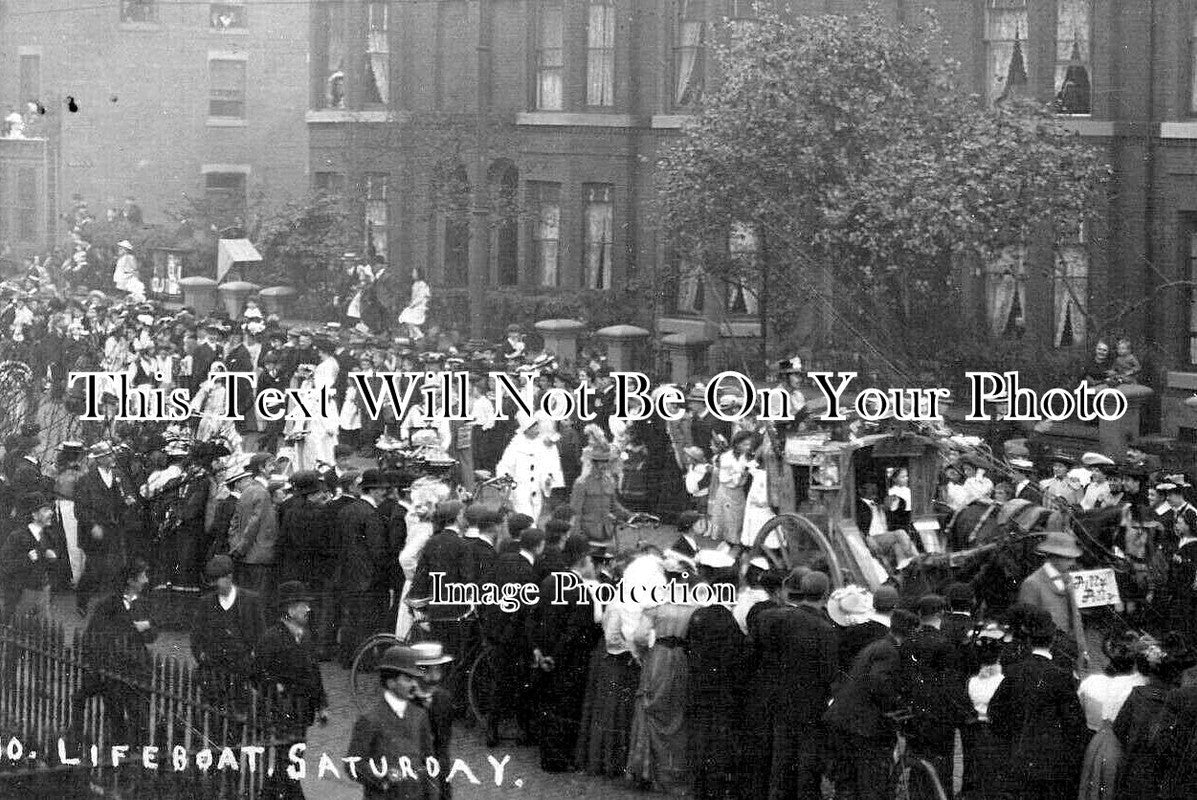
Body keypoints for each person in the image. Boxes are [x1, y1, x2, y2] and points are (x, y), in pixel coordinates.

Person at [988, 606, 1088, 800]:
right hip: (1051, 761)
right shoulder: (1061, 676)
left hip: (1018, 756)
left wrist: (1012, 738)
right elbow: (1074, 723)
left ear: (1027, 639)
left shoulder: (1014, 672)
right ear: (1051, 640)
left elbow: (996, 712)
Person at [754, 570, 839, 800]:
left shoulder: (778, 619)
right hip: (812, 705)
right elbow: (829, 672)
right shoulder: (825, 629)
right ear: (825, 594)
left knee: (781, 763)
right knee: (807, 767)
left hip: (781, 700)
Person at [824, 608, 919, 800]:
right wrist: (896, 707)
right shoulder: (889, 652)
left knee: (847, 784)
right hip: (864, 727)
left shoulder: (877, 646)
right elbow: (879, 682)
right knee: (871, 785)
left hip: (846, 722)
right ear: (910, 633)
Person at [627, 558, 700, 794]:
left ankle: (649, 771)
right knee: (677, 713)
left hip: (659, 657)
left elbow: (639, 636)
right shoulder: (695, 607)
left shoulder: (657, 605)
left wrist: (643, 654)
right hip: (682, 657)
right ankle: (675, 773)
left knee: (651, 708)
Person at [529, 535, 601, 773]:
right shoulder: (580, 591)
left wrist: (539, 651)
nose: (593, 565)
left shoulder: (550, 581)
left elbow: (533, 618)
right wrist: (556, 657)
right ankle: (559, 759)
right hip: (568, 662)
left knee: (548, 706)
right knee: (566, 710)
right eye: (591, 560)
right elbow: (575, 632)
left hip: (545, 656)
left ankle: (548, 756)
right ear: (582, 560)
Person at [256, 580, 328, 800]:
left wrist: (322, 705)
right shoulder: (271, 638)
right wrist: (274, 686)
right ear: (289, 609)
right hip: (280, 711)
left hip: (302, 712)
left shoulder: (305, 636)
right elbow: (258, 672)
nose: (308, 609)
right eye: (302, 605)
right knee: (287, 760)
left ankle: (268, 794)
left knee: (292, 758)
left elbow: (314, 673)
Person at [73, 558, 155, 743]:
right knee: (116, 715)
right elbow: (95, 634)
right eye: (142, 576)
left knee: (139, 716)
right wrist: (133, 628)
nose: (146, 580)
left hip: (137, 670)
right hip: (114, 671)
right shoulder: (108, 605)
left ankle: (137, 752)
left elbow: (153, 635)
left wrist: (147, 628)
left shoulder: (144, 603)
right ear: (130, 581)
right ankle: (119, 752)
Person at [345, 645, 438, 800]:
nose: (414, 684)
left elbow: (429, 761)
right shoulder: (370, 719)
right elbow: (353, 765)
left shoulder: (419, 715)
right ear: (391, 683)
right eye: (408, 679)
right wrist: (383, 776)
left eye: (415, 679)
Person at [1076, 631, 1149, 800]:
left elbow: (1081, 714)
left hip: (1097, 745)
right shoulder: (1141, 685)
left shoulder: (1091, 683)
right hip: (1123, 748)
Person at [191, 554, 266, 707]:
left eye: (216, 581)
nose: (213, 586)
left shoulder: (250, 601)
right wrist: (202, 656)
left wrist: (252, 659)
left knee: (239, 717)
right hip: (214, 672)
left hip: (243, 672)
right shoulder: (205, 603)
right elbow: (196, 637)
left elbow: (261, 635)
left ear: (229, 577)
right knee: (215, 716)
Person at [74, 441, 135, 617]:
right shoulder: (86, 480)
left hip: (113, 529)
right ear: (99, 460)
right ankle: (82, 601)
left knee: (116, 567)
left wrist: (127, 503)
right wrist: (92, 525)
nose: (112, 458)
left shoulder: (118, 476)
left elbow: (122, 499)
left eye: (111, 455)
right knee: (94, 568)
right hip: (93, 530)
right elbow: (80, 508)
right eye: (108, 456)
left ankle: (112, 606)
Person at [1017, 529, 1087, 667]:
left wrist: (1083, 650)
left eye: (1073, 558)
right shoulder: (1032, 584)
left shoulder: (1067, 579)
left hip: (1068, 652)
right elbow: (1027, 626)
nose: (1072, 563)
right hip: (1045, 656)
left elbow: (1075, 618)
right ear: (1053, 557)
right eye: (1067, 558)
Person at [960, 624, 1007, 800]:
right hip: (994, 731)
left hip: (974, 731)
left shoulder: (972, 682)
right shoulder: (1003, 681)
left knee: (973, 767)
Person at [0, 493, 60, 621]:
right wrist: (27, 559)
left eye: (50, 509)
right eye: (45, 510)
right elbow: (5, 564)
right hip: (22, 593)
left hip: (43, 591)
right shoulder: (17, 537)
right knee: (18, 630)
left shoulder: (49, 535)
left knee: (44, 630)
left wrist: (53, 559)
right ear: (34, 515)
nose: (50, 513)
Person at [228, 452, 279, 597]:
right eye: (270, 465)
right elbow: (254, 524)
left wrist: (236, 548)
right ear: (261, 468)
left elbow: (234, 523)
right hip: (259, 559)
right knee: (257, 601)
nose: (274, 468)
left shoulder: (247, 491)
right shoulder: (262, 493)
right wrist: (241, 548)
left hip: (245, 557)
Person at [569, 440, 631, 542]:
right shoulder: (581, 483)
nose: (604, 465)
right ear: (593, 462)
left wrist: (630, 515)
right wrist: (575, 538)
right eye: (601, 461)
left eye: (606, 461)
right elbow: (575, 512)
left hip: (606, 532)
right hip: (587, 534)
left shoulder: (609, 480)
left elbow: (614, 505)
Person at [397, 267, 430, 341]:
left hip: (420, 306)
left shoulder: (422, 284)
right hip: (414, 306)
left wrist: (412, 304)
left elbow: (421, 297)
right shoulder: (415, 284)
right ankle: (411, 335)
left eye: (414, 273)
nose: (413, 274)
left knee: (410, 320)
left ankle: (419, 334)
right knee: (406, 318)